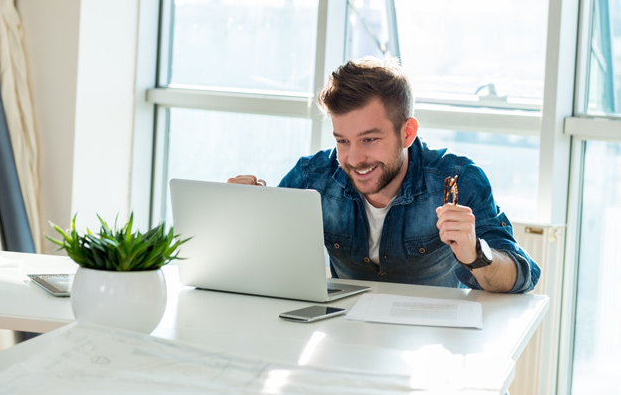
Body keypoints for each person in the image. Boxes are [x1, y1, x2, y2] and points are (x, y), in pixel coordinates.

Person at [229, 57, 540, 293]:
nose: (353, 159)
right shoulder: (313, 178)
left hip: (431, 347)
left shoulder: (456, 179)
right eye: (342, 141)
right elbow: (261, 263)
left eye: (369, 140)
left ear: (407, 133)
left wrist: (475, 254)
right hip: (343, 339)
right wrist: (243, 215)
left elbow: (523, 276)